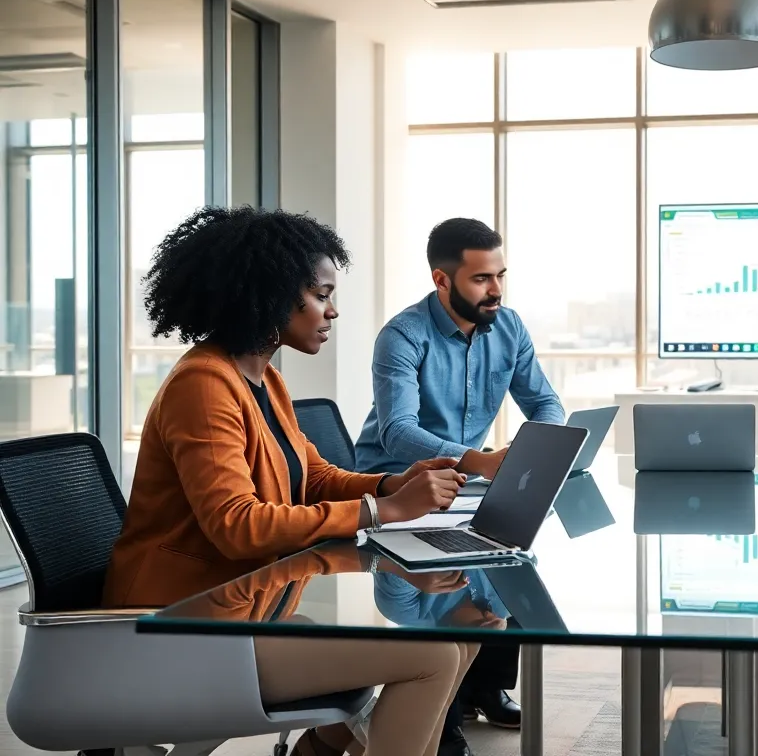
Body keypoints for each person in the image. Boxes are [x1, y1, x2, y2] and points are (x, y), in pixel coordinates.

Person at [103, 206, 477, 756]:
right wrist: (382, 513)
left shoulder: (262, 377)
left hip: (245, 612)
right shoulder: (204, 386)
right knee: (432, 657)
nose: (333, 311)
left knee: (454, 638)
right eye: (321, 294)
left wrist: (390, 486)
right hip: (189, 631)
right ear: (272, 293)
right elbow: (236, 526)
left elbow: (313, 474)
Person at [354, 217, 564, 755]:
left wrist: (541, 444)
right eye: (480, 279)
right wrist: (479, 461)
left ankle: (485, 687)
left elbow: (543, 400)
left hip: (468, 479)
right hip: (401, 480)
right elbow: (398, 430)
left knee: (512, 554)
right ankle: (438, 714)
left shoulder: (509, 327)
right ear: (442, 281)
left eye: (500, 275)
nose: (495, 289)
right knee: (441, 585)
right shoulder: (403, 336)